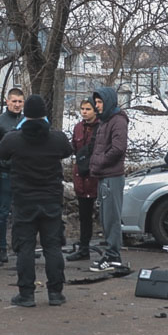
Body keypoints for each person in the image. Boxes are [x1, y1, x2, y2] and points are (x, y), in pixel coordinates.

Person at [0, 94, 73, 307]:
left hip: (24, 201)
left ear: (25, 114)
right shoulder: (57, 138)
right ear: (44, 115)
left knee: (25, 248)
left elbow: (0, 152)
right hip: (50, 200)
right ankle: (56, 293)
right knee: (53, 247)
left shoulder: (14, 138)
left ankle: (27, 294)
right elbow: (68, 151)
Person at [89, 86, 129, 273]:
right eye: (95, 103)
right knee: (106, 217)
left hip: (111, 175)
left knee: (112, 217)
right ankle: (111, 254)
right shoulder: (105, 121)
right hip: (104, 175)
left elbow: (118, 148)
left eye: (99, 102)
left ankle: (113, 256)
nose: (97, 106)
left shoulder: (117, 121)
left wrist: (100, 162)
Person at [0, 87, 24, 263]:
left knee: (23, 211)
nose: (17, 105)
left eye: (20, 102)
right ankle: (1, 248)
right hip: (6, 173)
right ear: (7, 101)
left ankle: (22, 247)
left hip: (24, 173)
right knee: (3, 212)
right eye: (14, 101)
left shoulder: (27, 121)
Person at [67, 98, 100, 262]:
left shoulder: (101, 128)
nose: (85, 112)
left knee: (101, 215)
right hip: (81, 176)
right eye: (83, 109)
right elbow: (74, 147)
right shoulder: (78, 128)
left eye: (88, 109)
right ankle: (84, 247)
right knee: (84, 215)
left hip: (96, 177)